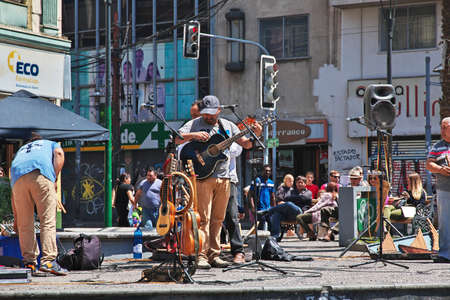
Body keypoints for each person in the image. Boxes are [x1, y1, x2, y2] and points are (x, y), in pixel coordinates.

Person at [176, 95, 262, 269]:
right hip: (202, 178)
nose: (208, 117)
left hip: (224, 178)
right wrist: (193, 135)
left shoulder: (227, 125)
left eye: (211, 114)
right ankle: (200, 255)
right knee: (203, 219)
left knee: (218, 219)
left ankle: (214, 254)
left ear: (219, 110)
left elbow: (245, 144)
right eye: (205, 113)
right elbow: (176, 138)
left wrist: (256, 134)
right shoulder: (194, 123)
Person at [10, 133, 67, 275]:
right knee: (47, 220)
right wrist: (54, 177)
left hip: (17, 178)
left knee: (25, 224)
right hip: (41, 173)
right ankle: (48, 262)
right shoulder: (50, 143)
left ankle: (29, 263)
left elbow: (12, 179)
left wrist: (16, 219)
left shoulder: (21, 150)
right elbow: (59, 153)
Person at [426, 117, 450, 263]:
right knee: (445, 222)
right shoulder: (437, 146)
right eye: (441, 127)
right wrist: (441, 169)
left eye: (444, 127)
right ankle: (445, 254)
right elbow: (429, 164)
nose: (441, 130)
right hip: (444, 190)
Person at [222, 142, 245, 264]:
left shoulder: (229, 127)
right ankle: (209, 252)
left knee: (232, 215)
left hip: (228, 178)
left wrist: (223, 144)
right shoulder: (200, 127)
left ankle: (238, 251)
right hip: (207, 178)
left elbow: (237, 150)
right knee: (208, 217)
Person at [250, 165, 276, 230]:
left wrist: (275, 208)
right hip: (259, 209)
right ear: (262, 171)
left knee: (272, 226)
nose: (267, 172)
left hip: (268, 208)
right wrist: (253, 207)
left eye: (269, 171)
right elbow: (250, 195)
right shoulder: (257, 181)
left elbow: (272, 196)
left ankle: (271, 239)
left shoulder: (271, 182)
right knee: (260, 227)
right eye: (266, 171)